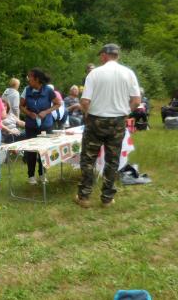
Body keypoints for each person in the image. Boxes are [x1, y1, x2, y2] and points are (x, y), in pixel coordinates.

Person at [75, 43, 141, 208]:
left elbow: (84, 101)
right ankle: (107, 198)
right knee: (112, 160)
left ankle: (84, 196)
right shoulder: (129, 73)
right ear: (117, 55)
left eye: (100, 55)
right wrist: (125, 112)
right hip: (118, 121)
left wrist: (87, 113)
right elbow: (136, 101)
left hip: (96, 120)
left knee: (88, 158)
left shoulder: (94, 73)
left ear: (104, 55)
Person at [20, 68, 61, 185]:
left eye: (30, 77)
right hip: (31, 125)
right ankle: (31, 176)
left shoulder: (48, 90)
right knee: (31, 150)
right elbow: (21, 105)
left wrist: (46, 112)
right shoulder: (26, 90)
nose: (28, 79)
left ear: (37, 79)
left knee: (43, 151)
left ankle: (43, 174)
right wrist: (29, 113)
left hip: (45, 125)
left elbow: (58, 104)